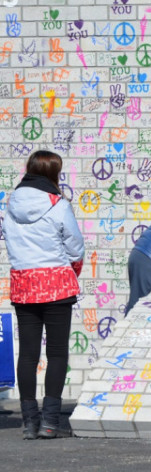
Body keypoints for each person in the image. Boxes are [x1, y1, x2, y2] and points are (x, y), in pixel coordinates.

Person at [3, 150, 85, 440]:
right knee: (57, 353)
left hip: (24, 284)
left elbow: (11, 245)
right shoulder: (58, 205)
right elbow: (75, 248)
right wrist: (72, 269)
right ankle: (50, 422)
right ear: (53, 175)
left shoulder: (9, 205)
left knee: (27, 354)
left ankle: (29, 423)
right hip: (56, 284)